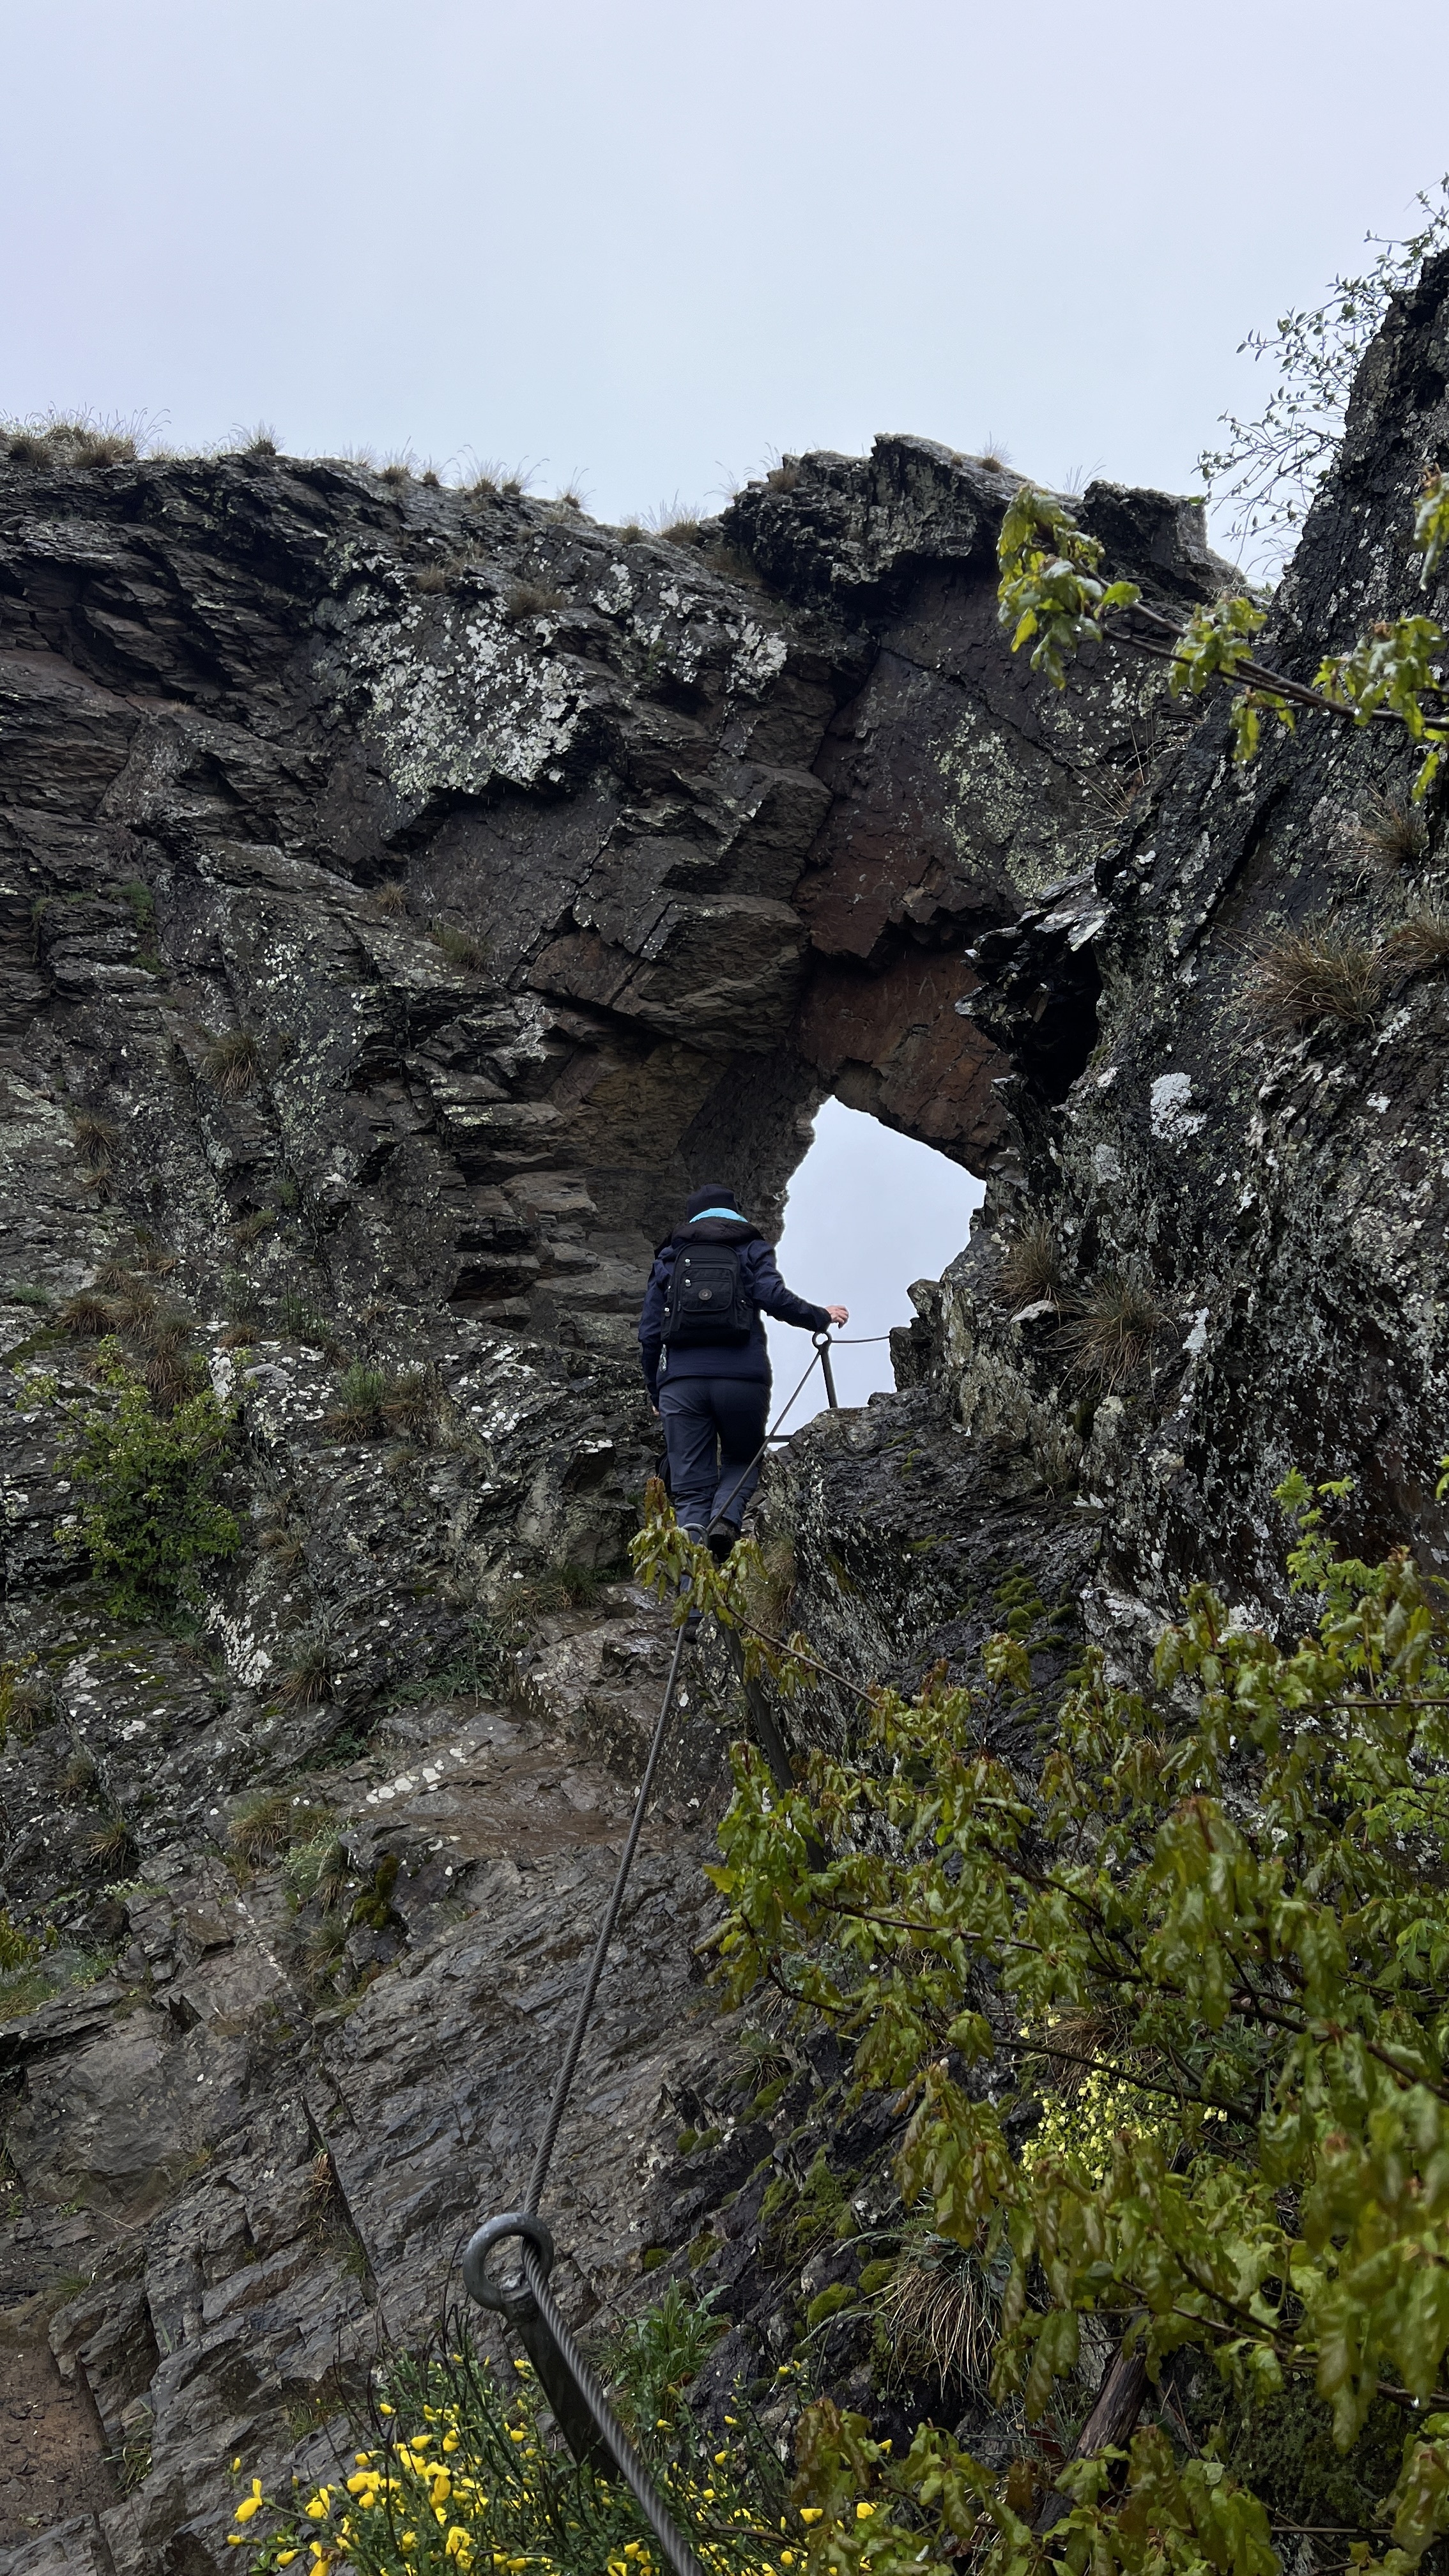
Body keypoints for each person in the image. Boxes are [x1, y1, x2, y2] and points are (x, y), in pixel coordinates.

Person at [638, 1183, 848, 1560]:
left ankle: (695, 1602)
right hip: (743, 1379)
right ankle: (725, 1520)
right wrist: (820, 1316)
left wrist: (656, 1391)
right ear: (735, 1212)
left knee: (691, 1492)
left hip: (681, 1385)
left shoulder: (671, 1256)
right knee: (741, 1459)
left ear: (693, 1216)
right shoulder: (750, 1246)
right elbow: (772, 1297)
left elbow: (650, 1333)